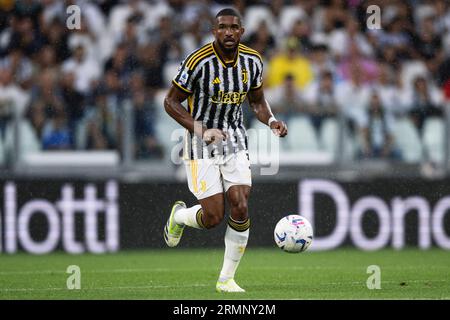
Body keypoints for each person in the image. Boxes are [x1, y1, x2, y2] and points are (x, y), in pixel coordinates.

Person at [163, 8, 287, 293]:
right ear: (214, 31)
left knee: (241, 203)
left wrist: (271, 120)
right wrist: (202, 129)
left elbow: (256, 101)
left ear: (241, 31)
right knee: (213, 217)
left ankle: (226, 279)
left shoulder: (253, 61)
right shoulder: (197, 62)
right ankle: (179, 217)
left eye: (233, 27)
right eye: (222, 27)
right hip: (200, 142)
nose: (228, 32)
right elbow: (171, 102)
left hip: (234, 139)